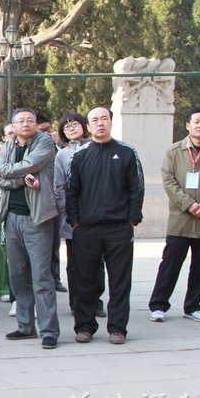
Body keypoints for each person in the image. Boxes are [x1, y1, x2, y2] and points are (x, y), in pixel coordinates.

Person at [66, 106, 144, 345]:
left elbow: (136, 189)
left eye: (104, 119)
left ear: (111, 122)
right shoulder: (79, 155)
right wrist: (75, 222)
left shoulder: (127, 152)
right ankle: (85, 326)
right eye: (95, 120)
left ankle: (118, 328)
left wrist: (132, 220)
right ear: (88, 126)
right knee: (85, 280)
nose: (100, 123)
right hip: (86, 229)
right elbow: (71, 191)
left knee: (120, 280)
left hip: (119, 228)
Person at [0, 107, 60, 349]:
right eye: (20, 121)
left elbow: (25, 166)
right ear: (13, 125)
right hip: (11, 217)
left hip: (37, 217)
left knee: (41, 276)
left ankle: (49, 330)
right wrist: (20, 179)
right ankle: (25, 325)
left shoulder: (44, 143)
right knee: (18, 275)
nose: (26, 124)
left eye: (30, 120)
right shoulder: (8, 145)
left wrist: (2, 171)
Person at [149, 108, 200, 323]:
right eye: (196, 121)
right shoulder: (174, 152)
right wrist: (189, 205)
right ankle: (158, 305)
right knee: (170, 264)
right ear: (187, 125)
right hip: (181, 219)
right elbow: (169, 182)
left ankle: (193, 306)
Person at [54, 112, 105, 317]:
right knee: (74, 263)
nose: (71, 129)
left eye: (75, 124)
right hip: (73, 217)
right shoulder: (62, 155)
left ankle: (96, 301)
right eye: (66, 127)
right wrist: (68, 211)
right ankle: (76, 302)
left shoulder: (97, 148)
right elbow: (59, 186)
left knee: (97, 262)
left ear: (85, 126)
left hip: (97, 216)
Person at [35, 112, 67, 293]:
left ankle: (55, 277)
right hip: (37, 203)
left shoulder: (59, 151)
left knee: (54, 243)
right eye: (43, 130)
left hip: (55, 204)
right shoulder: (33, 150)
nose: (48, 133)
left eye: (49, 129)